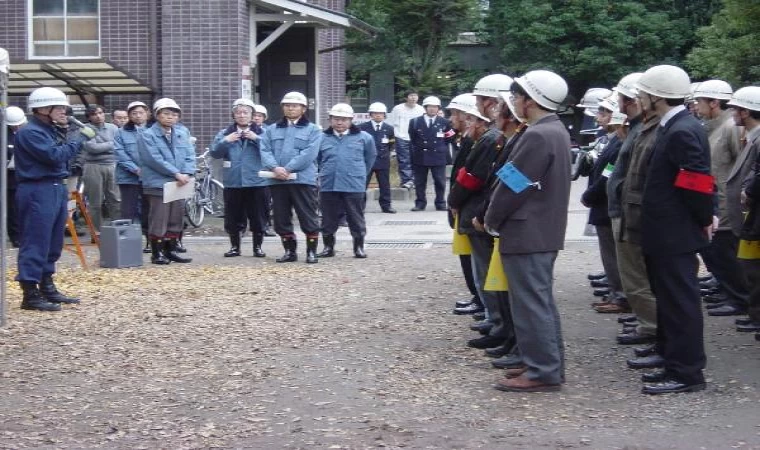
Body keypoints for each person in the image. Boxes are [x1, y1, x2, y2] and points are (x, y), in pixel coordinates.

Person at [485, 70, 571, 392]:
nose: (514, 103)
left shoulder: (537, 135)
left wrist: (492, 216)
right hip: (542, 229)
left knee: (530, 303)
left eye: (517, 97)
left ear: (531, 100)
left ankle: (542, 369)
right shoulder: (554, 131)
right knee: (539, 300)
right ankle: (545, 362)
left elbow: (512, 184)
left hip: (527, 230)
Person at [635, 65, 713, 395]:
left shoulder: (682, 129)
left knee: (680, 302)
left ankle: (687, 372)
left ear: (656, 97)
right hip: (666, 231)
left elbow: (696, 183)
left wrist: (703, 218)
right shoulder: (673, 126)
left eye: (642, 94)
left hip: (675, 232)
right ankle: (671, 358)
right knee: (669, 300)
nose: (638, 99)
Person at [13, 87, 96, 311]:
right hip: (37, 189)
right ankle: (30, 293)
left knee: (52, 242)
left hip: (53, 187)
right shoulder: (30, 132)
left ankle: (47, 286)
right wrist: (78, 139)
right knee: (36, 241)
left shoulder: (48, 130)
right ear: (42, 108)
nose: (64, 112)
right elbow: (55, 156)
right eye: (59, 107)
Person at [449, 74, 515, 354]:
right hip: (482, 212)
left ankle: (502, 327)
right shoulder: (496, 139)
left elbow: (476, 177)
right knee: (486, 274)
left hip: (485, 215)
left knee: (491, 276)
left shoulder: (493, 140)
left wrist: (457, 199)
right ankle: (500, 326)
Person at [691, 80, 749, 317]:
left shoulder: (730, 128)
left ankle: (740, 299)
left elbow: (741, 166)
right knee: (715, 254)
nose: (695, 105)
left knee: (724, 254)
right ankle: (730, 295)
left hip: (726, 205)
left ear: (714, 103)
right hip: (715, 202)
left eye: (700, 101)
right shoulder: (712, 127)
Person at [259, 91, 322, 263]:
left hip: (302, 179)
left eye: (295, 105)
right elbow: (264, 150)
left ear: (303, 108)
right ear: (282, 108)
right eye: (287, 105)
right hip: (277, 179)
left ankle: (311, 252)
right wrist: (275, 168)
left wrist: (287, 168)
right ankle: (289, 251)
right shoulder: (271, 130)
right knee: (281, 217)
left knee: (307, 215)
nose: (290, 108)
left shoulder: (314, 130)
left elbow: (309, 154)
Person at [582, 95, 629, 314]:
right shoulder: (614, 140)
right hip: (603, 204)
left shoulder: (620, 143)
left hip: (606, 204)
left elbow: (608, 173)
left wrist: (590, 194)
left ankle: (620, 295)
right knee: (610, 253)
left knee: (613, 254)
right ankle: (616, 292)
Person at [136, 98, 195, 265]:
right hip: (158, 182)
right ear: (157, 115)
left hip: (180, 182)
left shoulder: (182, 133)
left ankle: (171, 250)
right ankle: (157, 252)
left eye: (174, 114)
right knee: (159, 217)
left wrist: (187, 172)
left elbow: (190, 154)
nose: (170, 117)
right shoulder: (147, 135)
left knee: (176, 217)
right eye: (166, 114)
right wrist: (176, 173)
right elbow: (153, 159)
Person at [315, 103, 376, 258]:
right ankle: (328, 247)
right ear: (330, 120)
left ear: (351, 120)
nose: (340, 122)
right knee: (328, 217)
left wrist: (359, 174)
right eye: (336, 119)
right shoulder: (322, 138)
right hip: (329, 183)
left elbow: (369, 159)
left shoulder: (364, 138)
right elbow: (318, 159)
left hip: (353, 184)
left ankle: (358, 247)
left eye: (344, 119)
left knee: (356, 217)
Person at [210, 98, 267, 258]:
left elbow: (271, 150)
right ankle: (235, 246)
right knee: (233, 216)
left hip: (257, 181)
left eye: (245, 112)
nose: (242, 115)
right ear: (233, 115)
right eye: (238, 112)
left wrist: (256, 139)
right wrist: (225, 142)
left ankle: (258, 247)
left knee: (258, 215)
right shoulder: (225, 133)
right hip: (233, 181)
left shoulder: (263, 132)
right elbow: (215, 153)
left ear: (252, 115)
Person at [447, 94, 485, 316]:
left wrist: (455, 200)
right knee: (468, 255)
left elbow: (471, 176)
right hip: (464, 206)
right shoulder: (465, 139)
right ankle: (478, 297)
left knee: (474, 256)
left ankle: (480, 299)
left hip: (470, 206)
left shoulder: (476, 140)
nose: (452, 118)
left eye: (455, 114)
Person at [726, 87, 760, 334]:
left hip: (755, 216)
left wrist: (748, 191)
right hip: (751, 215)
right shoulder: (752, 137)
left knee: (754, 267)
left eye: (736, 109)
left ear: (746, 111)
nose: (733, 114)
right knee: (750, 266)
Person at [408, 96, 454, 211]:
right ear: (425, 108)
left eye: (435, 107)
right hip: (420, 155)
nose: (432, 109)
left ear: (438, 108)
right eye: (430, 107)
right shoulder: (415, 122)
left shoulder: (445, 122)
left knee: (440, 181)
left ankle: (440, 202)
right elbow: (413, 138)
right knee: (420, 182)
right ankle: (420, 203)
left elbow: (449, 138)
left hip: (438, 155)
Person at [81, 104, 121, 233]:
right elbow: (92, 148)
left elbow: (119, 145)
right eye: (94, 114)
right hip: (93, 166)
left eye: (100, 113)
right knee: (95, 201)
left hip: (113, 164)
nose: (98, 116)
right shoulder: (85, 129)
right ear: (89, 117)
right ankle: (96, 232)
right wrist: (111, 144)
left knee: (115, 199)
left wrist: (105, 146)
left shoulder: (113, 128)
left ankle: (118, 229)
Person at [114, 101, 150, 228]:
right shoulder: (120, 132)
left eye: (141, 113)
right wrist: (135, 169)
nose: (138, 116)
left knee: (148, 210)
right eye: (134, 113)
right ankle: (125, 241)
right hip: (128, 177)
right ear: (129, 115)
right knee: (128, 210)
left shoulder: (153, 130)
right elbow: (119, 154)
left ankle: (149, 242)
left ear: (147, 114)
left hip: (150, 177)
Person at [358, 102, 396, 213]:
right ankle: (360, 206)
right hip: (366, 161)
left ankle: (386, 206)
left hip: (383, 160)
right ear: (371, 114)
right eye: (375, 113)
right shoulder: (362, 127)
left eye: (381, 113)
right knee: (362, 184)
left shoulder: (389, 128)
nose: (378, 115)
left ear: (384, 115)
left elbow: (391, 144)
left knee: (385, 185)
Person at [388, 91, 424, 188]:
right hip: (401, 136)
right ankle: (406, 180)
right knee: (404, 160)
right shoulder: (398, 108)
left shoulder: (421, 109)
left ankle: (416, 180)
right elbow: (392, 122)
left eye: (415, 96)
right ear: (406, 97)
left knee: (416, 159)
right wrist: (395, 135)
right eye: (411, 95)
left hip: (416, 138)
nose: (413, 98)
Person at [4, 106, 27, 247]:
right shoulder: (5, 136)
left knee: (18, 208)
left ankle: (19, 235)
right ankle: (15, 236)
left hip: (19, 177)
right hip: (8, 179)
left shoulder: (22, 133)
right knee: (12, 210)